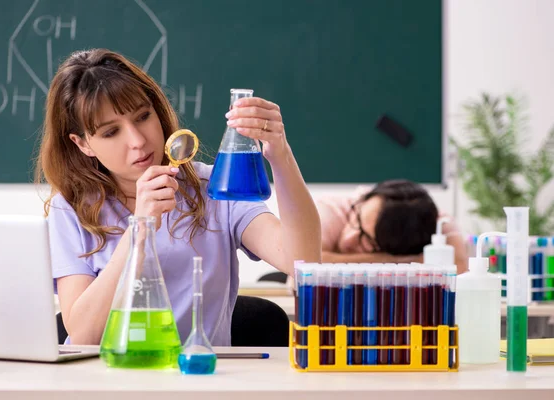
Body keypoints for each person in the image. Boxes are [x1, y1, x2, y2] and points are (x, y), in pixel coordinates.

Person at [35, 49, 321, 346]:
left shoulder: (213, 187)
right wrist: (140, 230)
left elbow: (303, 261)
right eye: (111, 132)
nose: (138, 141)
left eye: (143, 116)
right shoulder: (70, 208)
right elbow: (84, 334)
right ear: (83, 144)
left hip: (199, 383)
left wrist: (280, 154)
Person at [316, 180, 468, 274]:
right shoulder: (334, 208)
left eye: (368, 240)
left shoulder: (435, 223)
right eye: (357, 218)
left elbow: (458, 266)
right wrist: (405, 262)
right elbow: (309, 262)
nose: (350, 236)